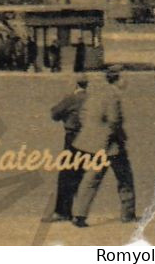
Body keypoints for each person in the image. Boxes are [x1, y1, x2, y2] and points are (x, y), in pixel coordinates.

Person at [70, 65, 136, 228]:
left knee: (91, 178)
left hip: (95, 142)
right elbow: (114, 121)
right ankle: (128, 214)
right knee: (125, 178)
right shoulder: (113, 95)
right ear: (118, 79)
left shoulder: (98, 92)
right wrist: (119, 137)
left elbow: (84, 114)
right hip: (111, 144)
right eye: (124, 77)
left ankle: (79, 214)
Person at [46, 76, 89, 223]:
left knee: (66, 175)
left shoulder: (71, 98)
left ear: (75, 85)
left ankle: (63, 212)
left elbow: (54, 113)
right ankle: (80, 213)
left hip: (73, 138)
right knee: (82, 176)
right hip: (90, 139)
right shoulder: (91, 98)